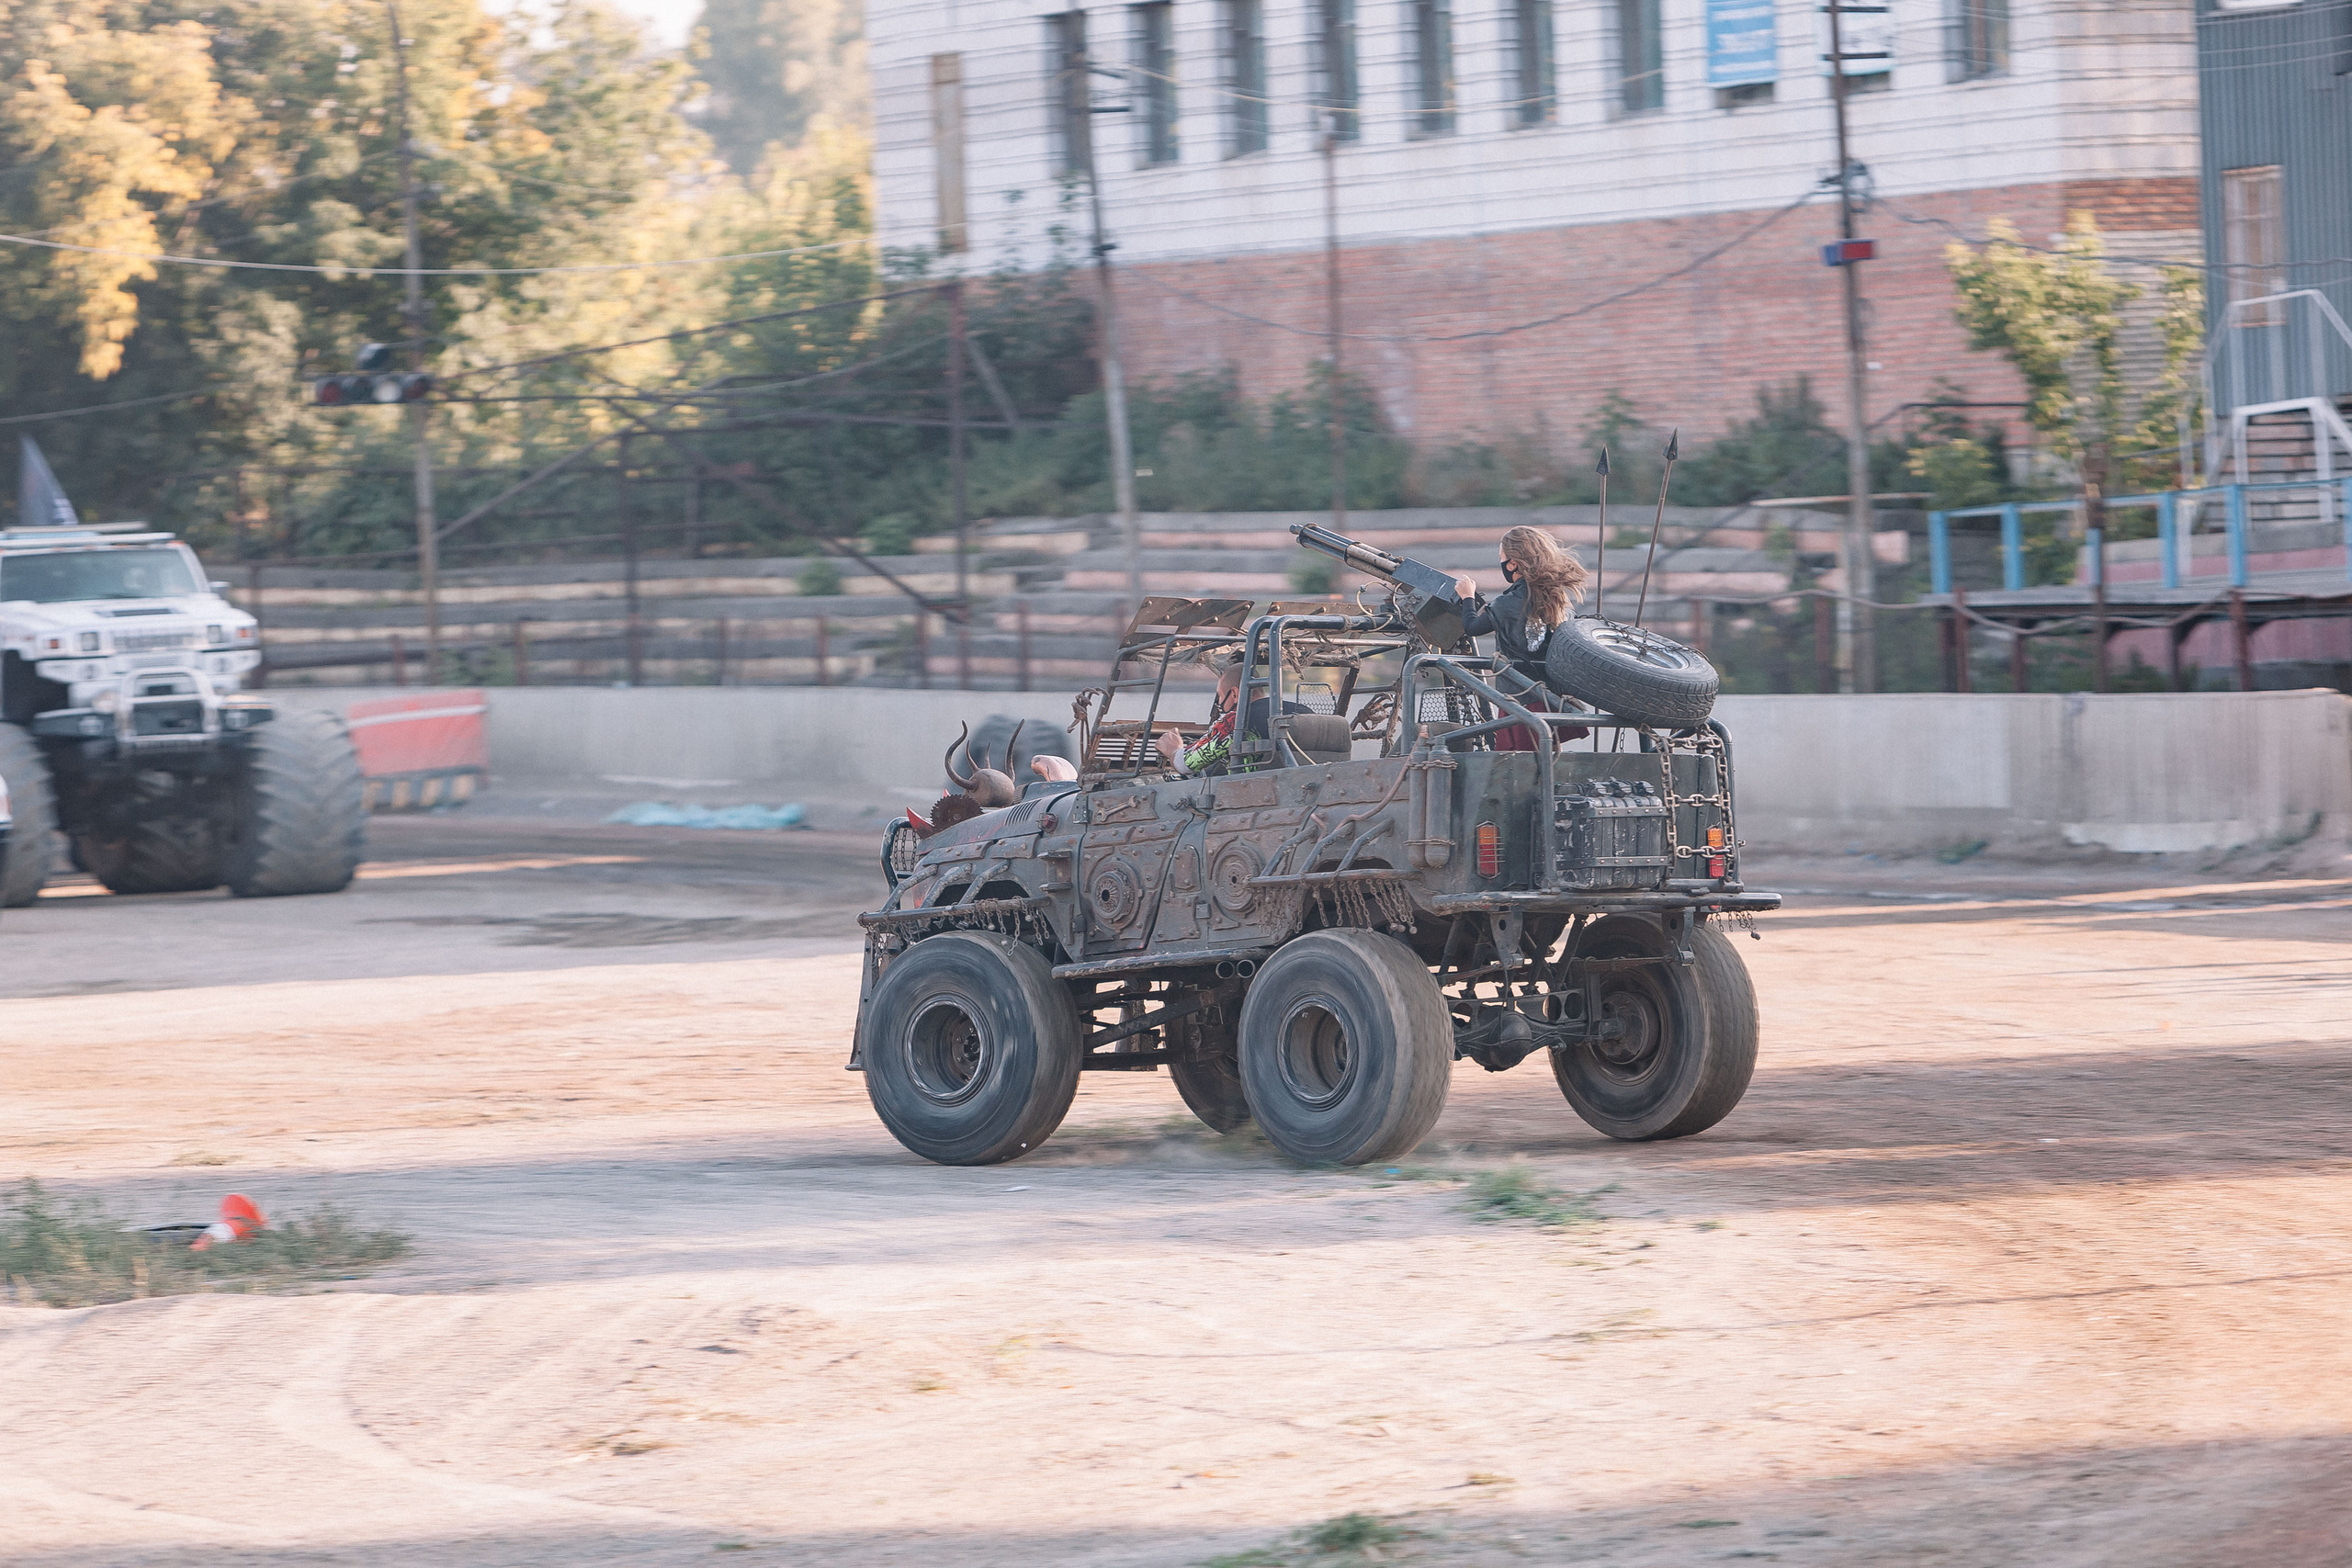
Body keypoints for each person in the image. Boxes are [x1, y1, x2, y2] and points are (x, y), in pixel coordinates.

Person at [1453, 525, 1590, 750]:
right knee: (1549, 754)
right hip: (1552, 694)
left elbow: (1472, 627)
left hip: (1521, 695)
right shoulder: (1556, 596)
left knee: (1518, 763)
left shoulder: (1509, 602)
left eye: (1502, 558)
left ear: (1513, 563)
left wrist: (1467, 596)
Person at [1154, 655, 1309, 775]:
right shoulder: (1302, 711)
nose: (1220, 702)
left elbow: (1185, 764)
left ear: (1234, 694)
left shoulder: (1237, 720)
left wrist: (1173, 749)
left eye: (1220, 696)